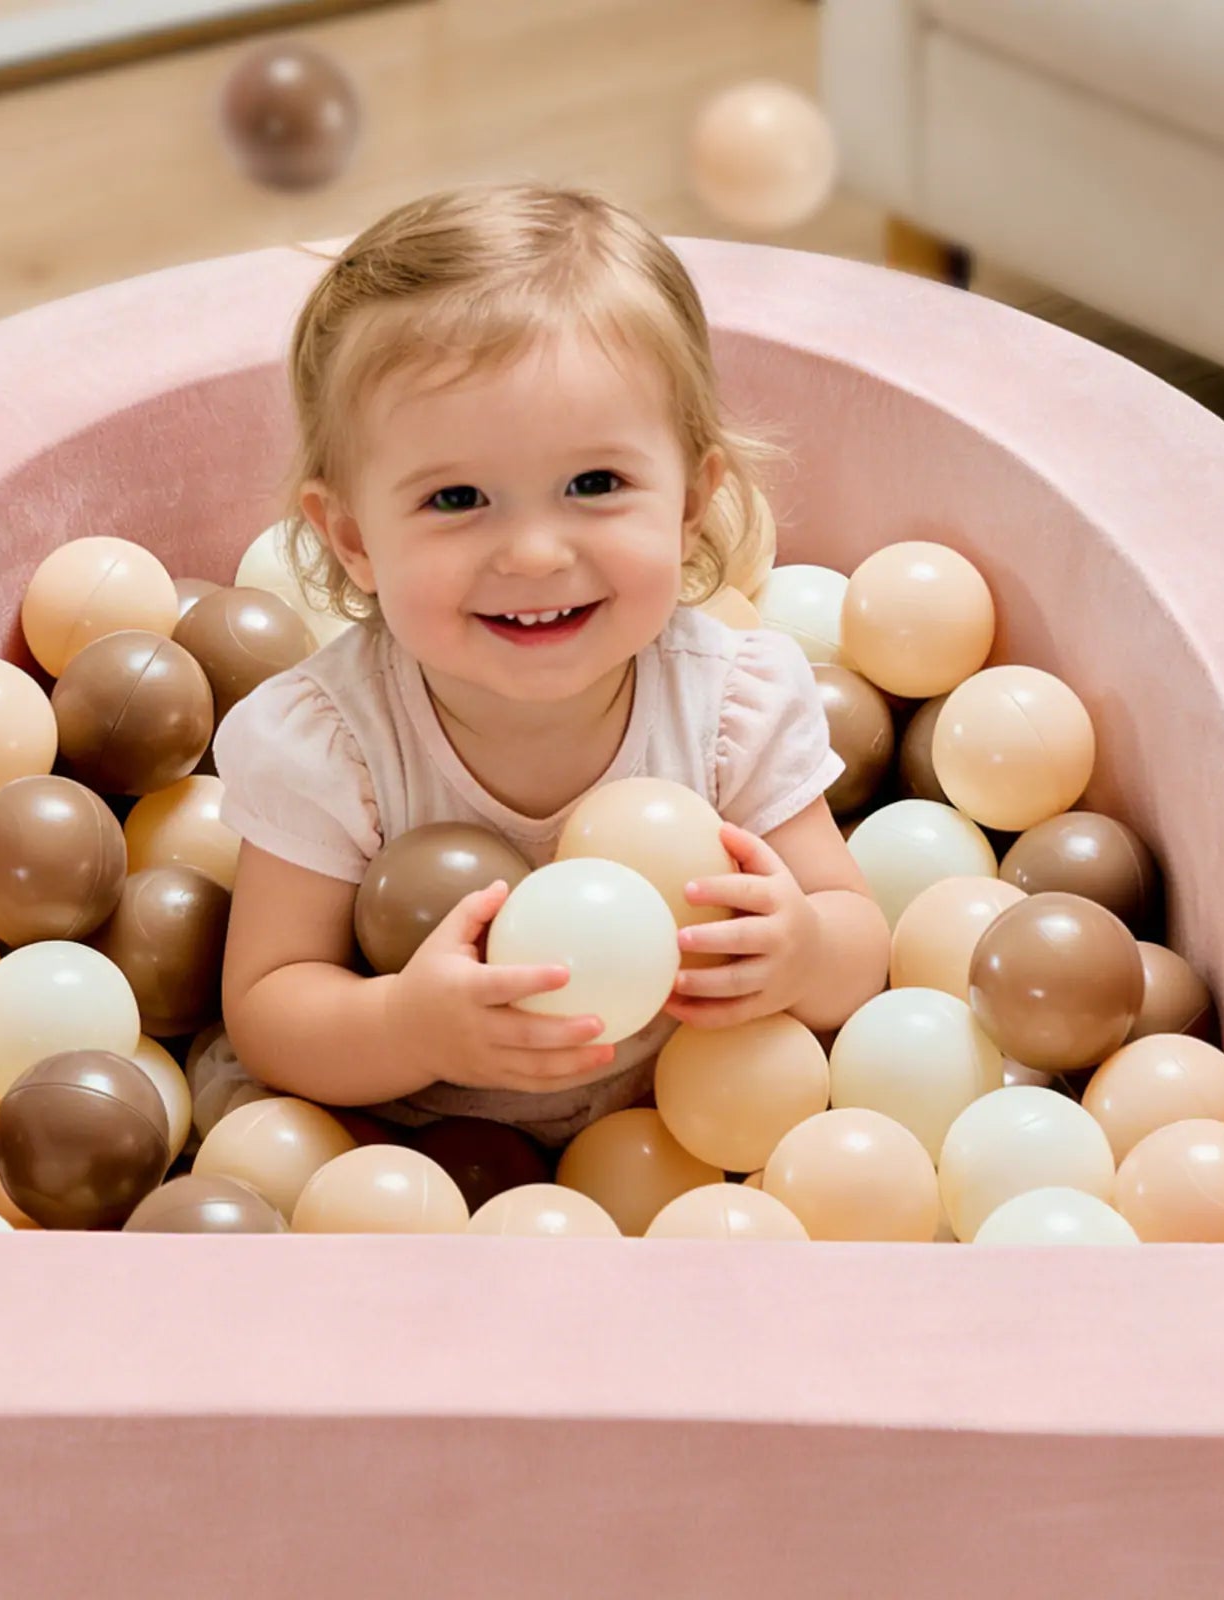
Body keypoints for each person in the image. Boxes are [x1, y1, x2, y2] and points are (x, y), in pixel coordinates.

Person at [213, 180, 888, 1146]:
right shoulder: (332, 744)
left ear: (692, 504)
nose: (533, 552)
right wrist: (411, 1026)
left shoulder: (729, 704)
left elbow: (858, 937)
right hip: (402, 1161)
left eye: (594, 484)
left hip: (693, 1146)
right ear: (353, 538)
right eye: (457, 499)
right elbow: (271, 1004)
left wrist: (801, 950)